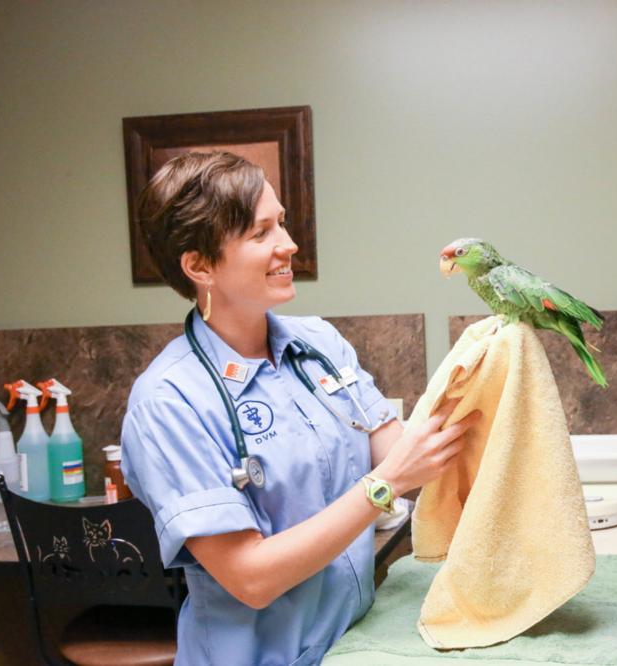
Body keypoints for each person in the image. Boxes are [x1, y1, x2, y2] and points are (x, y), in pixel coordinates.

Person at [121, 151, 480, 666]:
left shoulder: (319, 345)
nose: (288, 245)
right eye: (261, 232)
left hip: (350, 646)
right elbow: (251, 578)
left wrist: (490, 369)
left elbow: (403, 453)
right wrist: (386, 484)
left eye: (282, 223)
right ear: (199, 266)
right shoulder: (168, 403)